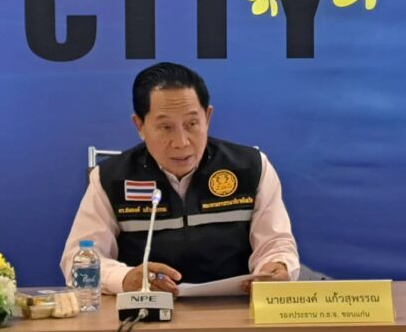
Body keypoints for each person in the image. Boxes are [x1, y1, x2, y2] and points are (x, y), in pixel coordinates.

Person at [60, 62, 299, 295]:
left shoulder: (251, 167)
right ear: (140, 125)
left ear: (208, 117)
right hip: (145, 313)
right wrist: (124, 279)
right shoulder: (111, 178)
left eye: (192, 124)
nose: (181, 142)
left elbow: (276, 244)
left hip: (235, 311)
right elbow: (77, 263)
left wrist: (277, 266)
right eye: (166, 127)